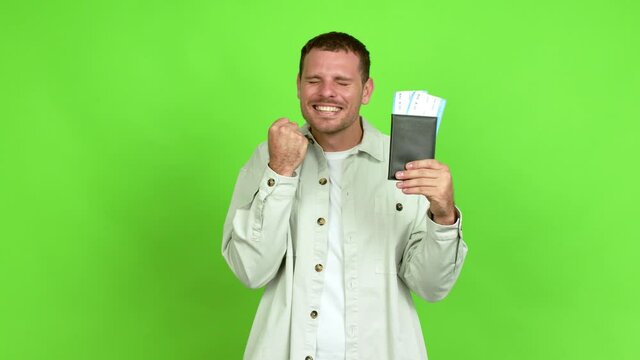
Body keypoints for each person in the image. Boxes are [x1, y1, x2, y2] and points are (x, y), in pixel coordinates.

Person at [222, 31, 468, 360]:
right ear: (298, 85)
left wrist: (443, 216)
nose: (326, 92)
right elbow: (251, 270)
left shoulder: (407, 165)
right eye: (314, 80)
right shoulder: (268, 157)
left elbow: (431, 287)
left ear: (366, 90)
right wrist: (279, 172)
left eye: (342, 81)